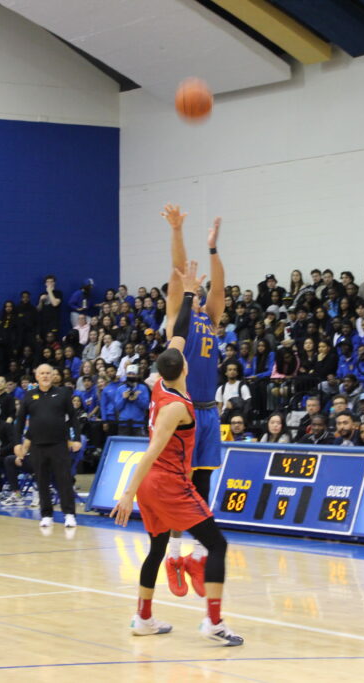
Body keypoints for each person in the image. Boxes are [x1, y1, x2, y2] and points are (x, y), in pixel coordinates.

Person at [111, 261, 243, 646]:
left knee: (155, 547)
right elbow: (150, 453)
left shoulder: (160, 387)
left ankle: (143, 618)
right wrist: (126, 493)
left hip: (156, 484)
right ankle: (214, 623)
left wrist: (188, 293)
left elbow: (180, 330)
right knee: (217, 544)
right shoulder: (177, 407)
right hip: (166, 482)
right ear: (184, 365)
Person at [160, 204, 227, 597]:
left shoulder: (211, 318)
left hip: (209, 412)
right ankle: (171, 555)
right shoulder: (176, 317)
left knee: (202, 486)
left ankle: (198, 558)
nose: (198, 287)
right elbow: (176, 272)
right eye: (192, 286)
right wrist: (177, 232)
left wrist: (214, 249)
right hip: (182, 413)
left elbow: (218, 287)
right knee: (178, 486)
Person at [14, 364, 82, 528]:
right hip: (37, 445)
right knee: (41, 481)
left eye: (47, 373)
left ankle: (69, 514)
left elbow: (73, 417)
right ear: (36, 377)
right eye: (41, 373)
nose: (45, 376)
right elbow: (20, 421)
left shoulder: (63, 394)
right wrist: (18, 443)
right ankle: (46, 515)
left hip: (59, 444)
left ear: (53, 376)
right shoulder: (29, 396)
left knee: (64, 480)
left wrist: (77, 438)